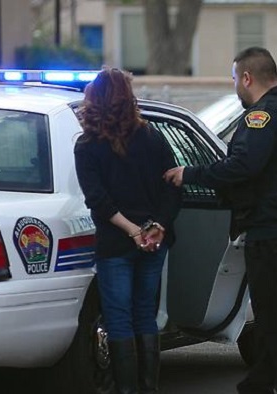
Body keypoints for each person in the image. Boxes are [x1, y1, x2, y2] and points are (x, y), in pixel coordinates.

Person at [163, 47, 277, 394]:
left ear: (247, 78)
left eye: (235, 79)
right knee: (275, 313)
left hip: (276, 231)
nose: (235, 86)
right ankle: (262, 378)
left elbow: (242, 167)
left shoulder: (262, 117)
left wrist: (190, 173)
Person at [74, 67, 181, 394]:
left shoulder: (87, 145)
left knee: (118, 317)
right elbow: (173, 185)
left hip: (116, 242)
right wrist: (157, 227)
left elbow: (98, 200)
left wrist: (132, 231)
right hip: (153, 241)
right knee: (144, 316)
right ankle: (149, 388)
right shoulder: (151, 136)